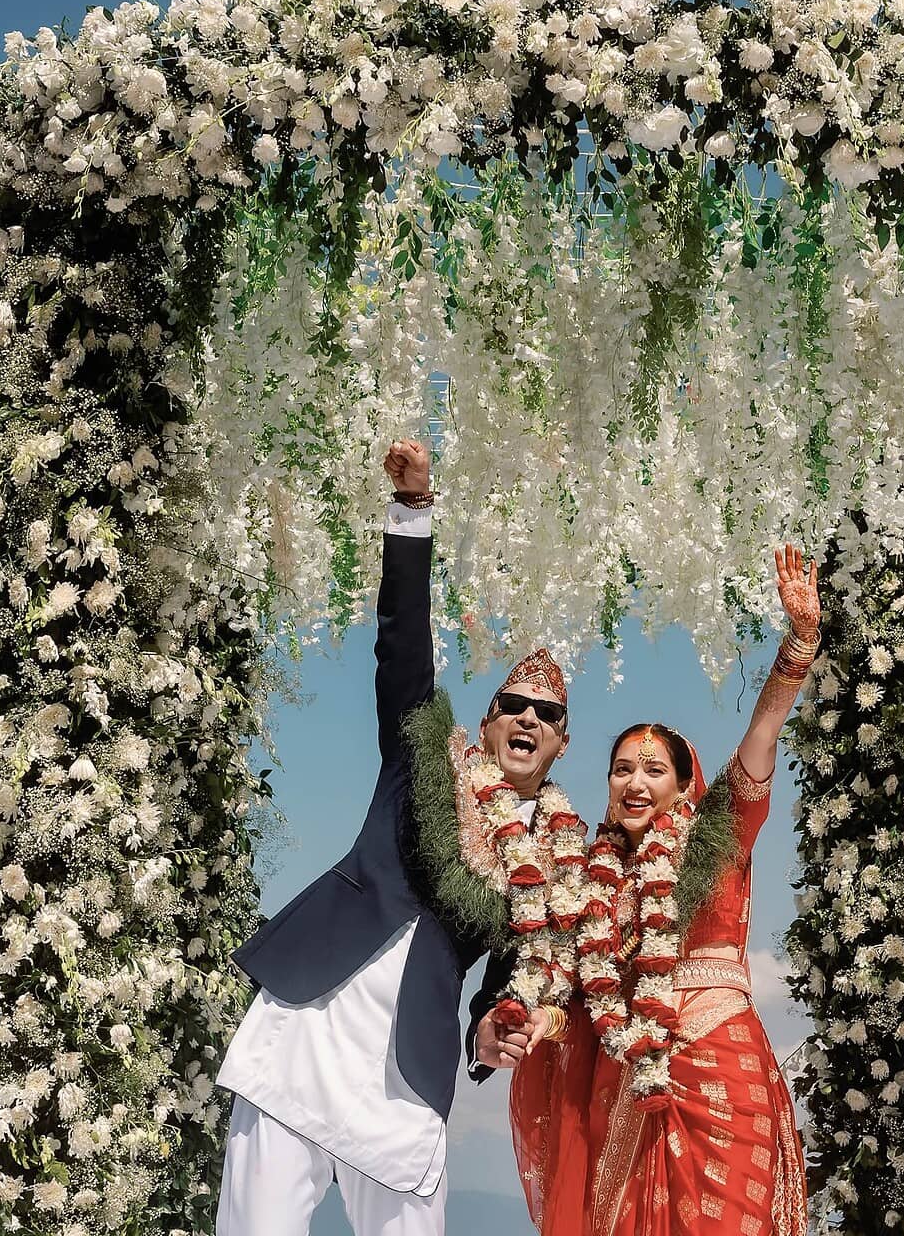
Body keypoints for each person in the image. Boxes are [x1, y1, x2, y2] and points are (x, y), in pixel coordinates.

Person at [213, 437, 587, 1236]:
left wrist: (490, 1030)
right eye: (512, 705)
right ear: (485, 724)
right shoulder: (422, 756)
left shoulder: (556, 868)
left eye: (546, 715)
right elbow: (402, 648)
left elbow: (513, 978)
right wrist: (413, 511)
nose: (528, 716)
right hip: (308, 1027)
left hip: (404, 1075)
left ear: (560, 745)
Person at [497, 543, 820, 1236]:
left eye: (652, 770)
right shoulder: (589, 882)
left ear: (684, 786)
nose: (635, 783)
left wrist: (798, 643)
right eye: (621, 769)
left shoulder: (716, 839)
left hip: (718, 1072)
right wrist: (535, 1025)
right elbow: (575, 1000)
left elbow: (762, 735)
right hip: (626, 1086)